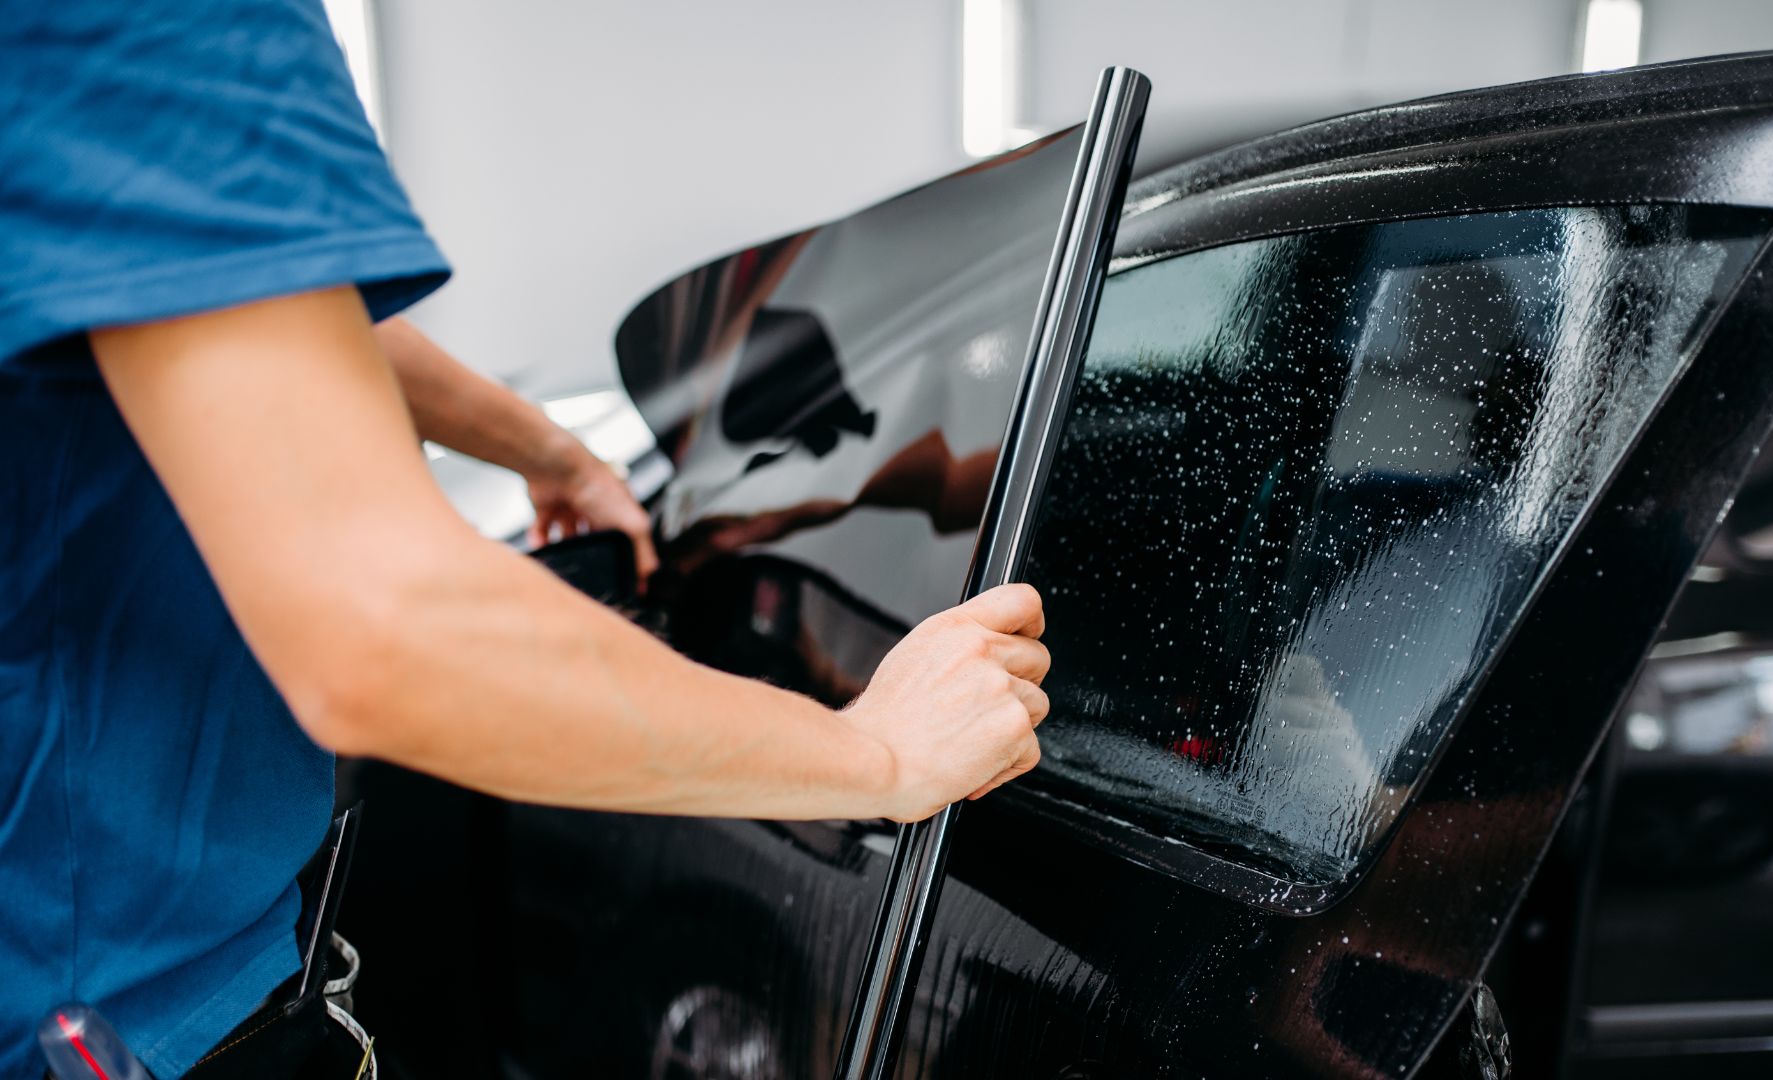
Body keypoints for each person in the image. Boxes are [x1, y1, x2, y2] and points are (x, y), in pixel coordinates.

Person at [0, 2, 1050, 1077]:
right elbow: (389, 630)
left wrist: (546, 453)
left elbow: (235, 307)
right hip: (120, 1026)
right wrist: (879, 755)